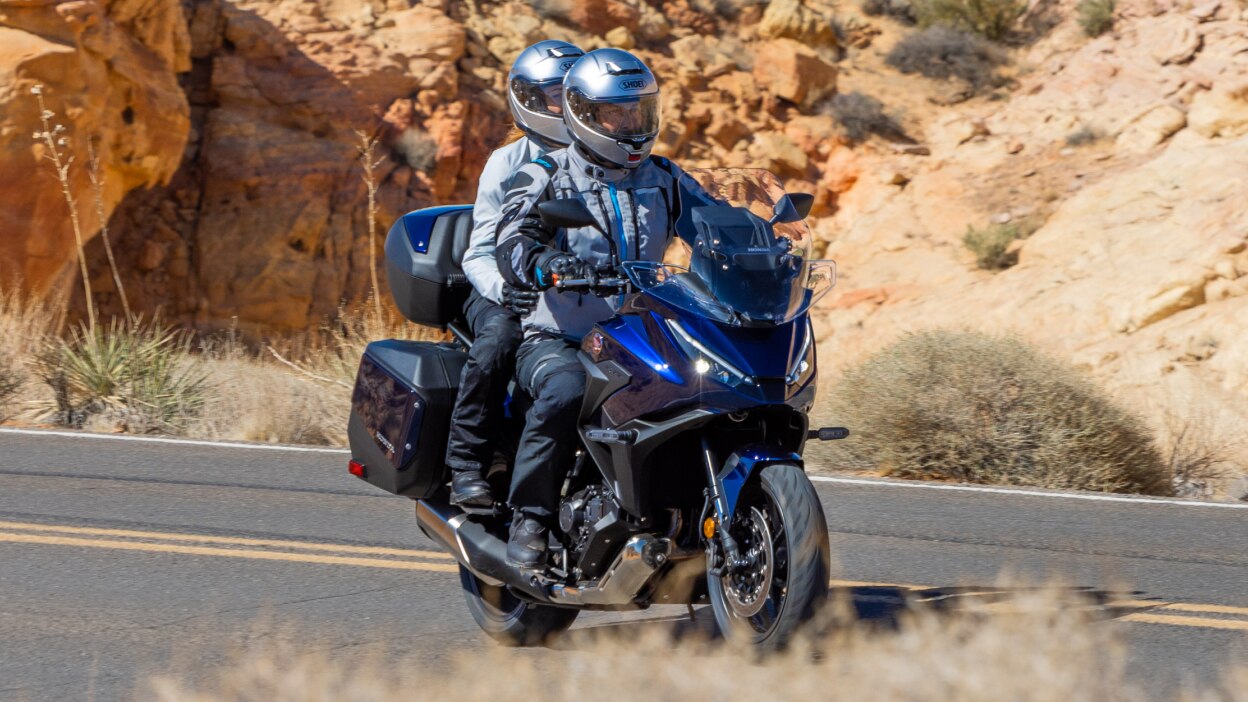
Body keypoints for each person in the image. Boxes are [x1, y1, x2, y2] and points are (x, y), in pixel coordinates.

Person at [494, 48, 702, 567]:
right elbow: (512, 240)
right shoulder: (546, 173)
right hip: (559, 336)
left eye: (639, 113)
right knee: (564, 391)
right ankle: (531, 518)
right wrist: (548, 264)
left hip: (640, 334)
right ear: (584, 115)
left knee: (706, 390)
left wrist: (759, 243)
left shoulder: (665, 178)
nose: (631, 125)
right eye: (617, 114)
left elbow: (713, 222)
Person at [447, 39, 585, 509]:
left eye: (571, 93)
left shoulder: (602, 162)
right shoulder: (507, 162)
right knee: (501, 338)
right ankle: (468, 463)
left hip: (575, 289)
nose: (563, 105)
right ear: (527, 100)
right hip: (499, 286)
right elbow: (478, 253)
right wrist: (507, 290)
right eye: (552, 95)